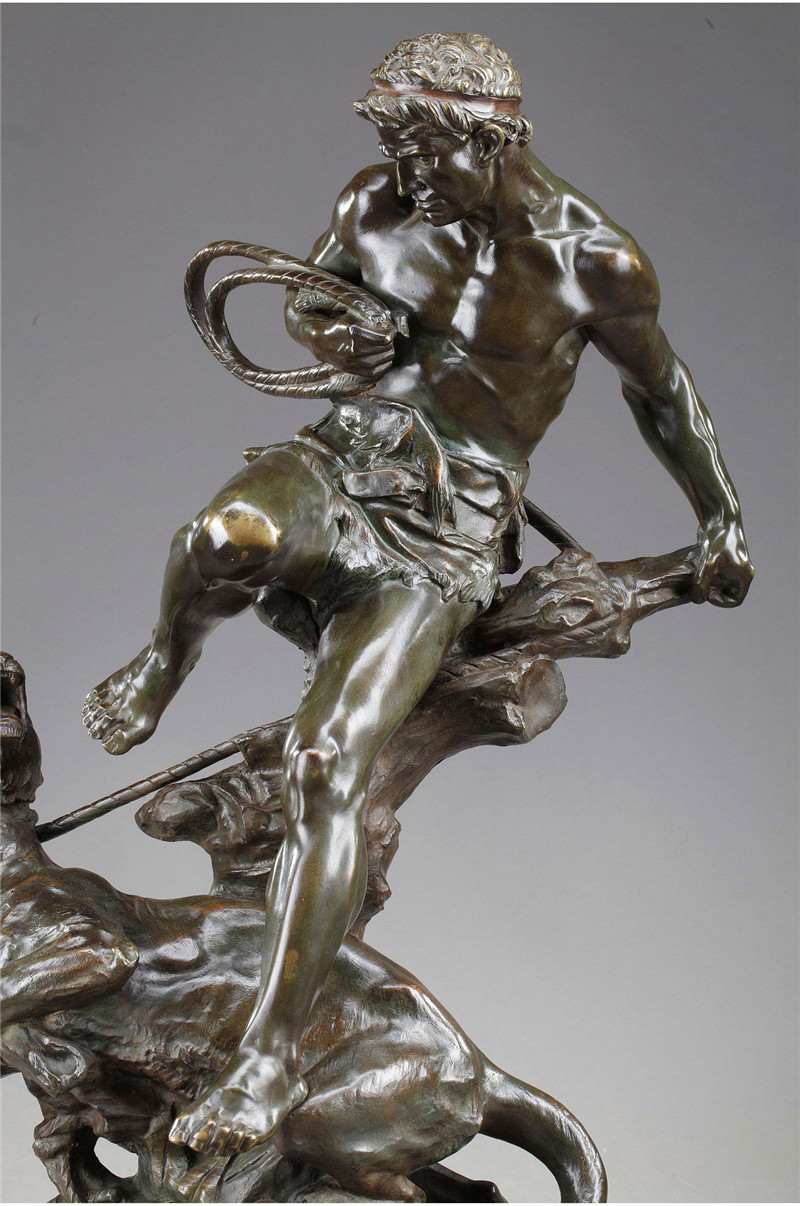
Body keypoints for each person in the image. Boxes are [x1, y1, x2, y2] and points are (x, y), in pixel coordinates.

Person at [83, 32, 753, 1156]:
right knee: (222, 536)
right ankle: (164, 659)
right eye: (393, 150)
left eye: (423, 152)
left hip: (446, 530)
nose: (405, 173)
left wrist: (719, 514)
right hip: (343, 458)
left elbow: (659, 391)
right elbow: (309, 303)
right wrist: (336, 329)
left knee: (324, 765)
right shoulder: (377, 205)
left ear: (490, 140)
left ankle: (264, 1062)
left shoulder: (595, 262)